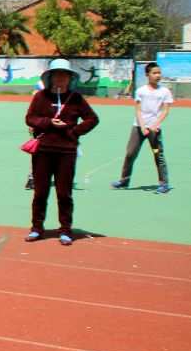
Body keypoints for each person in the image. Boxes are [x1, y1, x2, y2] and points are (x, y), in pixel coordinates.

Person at [26, 59, 99, 245]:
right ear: (50, 77)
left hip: (66, 151)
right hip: (42, 150)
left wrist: (73, 131)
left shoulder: (76, 98)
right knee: (40, 192)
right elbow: (30, 118)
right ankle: (36, 228)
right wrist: (48, 123)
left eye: (64, 75)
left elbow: (92, 119)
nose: (60, 79)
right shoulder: (40, 97)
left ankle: (65, 229)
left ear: (69, 78)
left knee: (64, 193)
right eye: (56, 75)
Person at [113, 62, 173, 194]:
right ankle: (124, 180)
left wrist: (155, 125)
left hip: (154, 130)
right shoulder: (141, 91)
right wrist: (142, 127)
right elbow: (138, 110)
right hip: (138, 127)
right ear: (147, 75)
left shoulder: (165, 91)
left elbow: (165, 111)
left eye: (159, 72)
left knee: (158, 155)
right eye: (154, 73)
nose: (158, 75)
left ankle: (164, 183)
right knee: (130, 154)